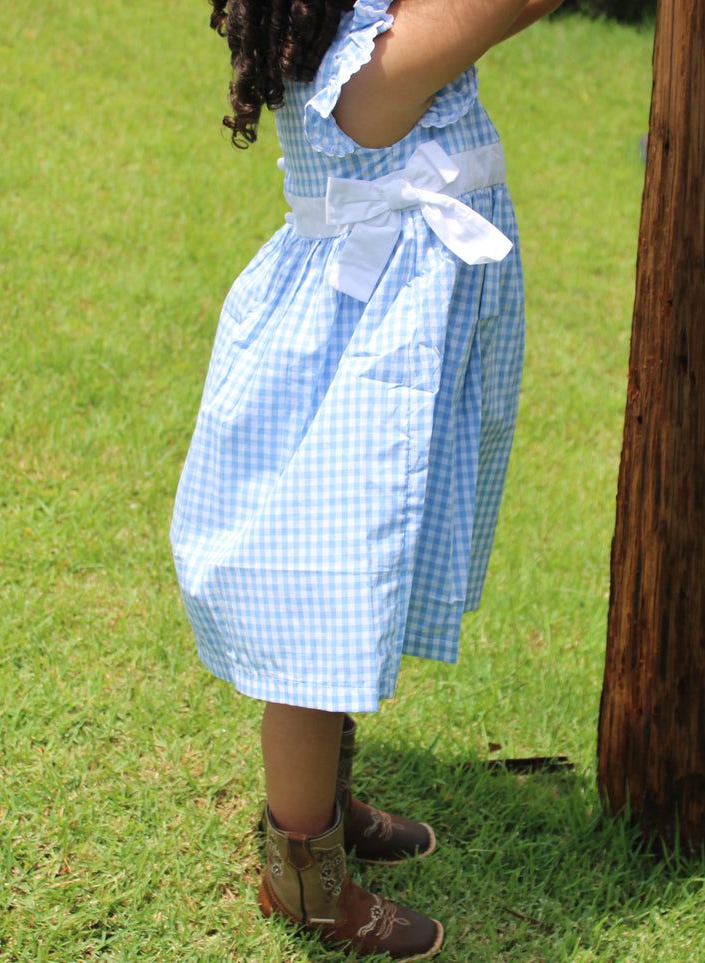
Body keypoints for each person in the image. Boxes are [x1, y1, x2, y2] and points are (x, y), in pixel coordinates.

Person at [172, 0, 562, 957]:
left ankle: (328, 810)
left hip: (380, 365)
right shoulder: (371, 65)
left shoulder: (351, 45)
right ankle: (300, 879)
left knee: (342, 598)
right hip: (353, 372)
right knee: (314, 635)